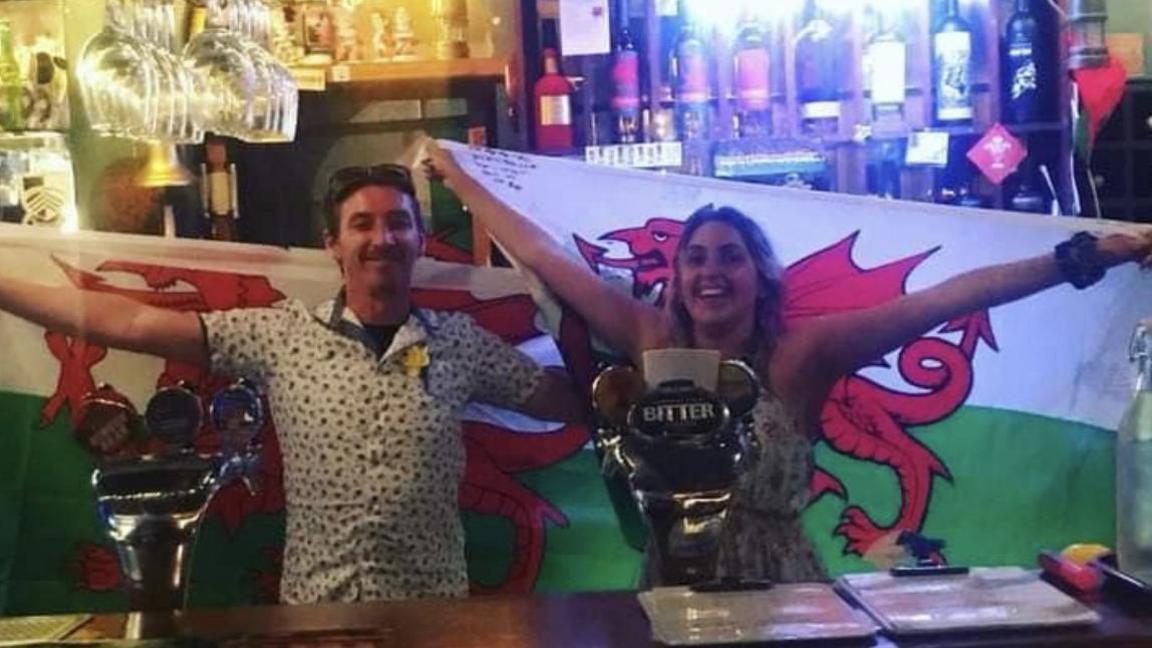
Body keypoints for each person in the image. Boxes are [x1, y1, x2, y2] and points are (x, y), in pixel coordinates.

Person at [422, 139, 1152, 585]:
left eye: (731, 259)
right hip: (672, 587)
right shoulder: (649, 340)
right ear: (675, 277)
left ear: (760, 277)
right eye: (696, 260)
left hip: (784, 594)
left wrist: (1086, 255)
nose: (712, 273)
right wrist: (455, 177)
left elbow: (948, 297)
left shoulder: (803, 357)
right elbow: (547, 256)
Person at [0, 162, 586, 603]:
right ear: (333, 245)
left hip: (433, 616)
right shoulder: (280, 337)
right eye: (362, 224)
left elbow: (570, 399)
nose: (381, 238)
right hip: (315, 618)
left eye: (398, 223)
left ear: (418, 241)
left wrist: (630, 365)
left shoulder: (461, 343)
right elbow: (130, 320)